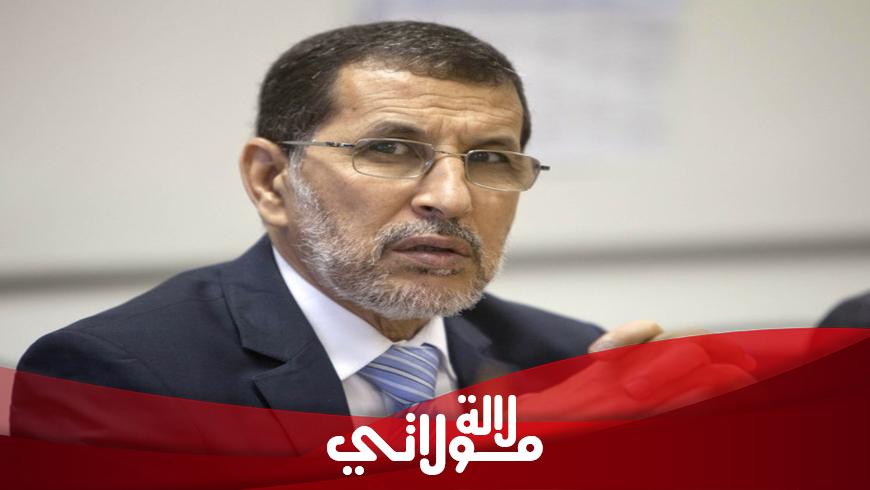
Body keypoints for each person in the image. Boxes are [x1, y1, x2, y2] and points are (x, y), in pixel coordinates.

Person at [11, 22, 751, 451]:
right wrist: (487, 445)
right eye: (390, 150)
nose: (451, 197)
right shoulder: (117, 375)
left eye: (490, 160)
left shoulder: (560, 362)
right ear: (271, 181)